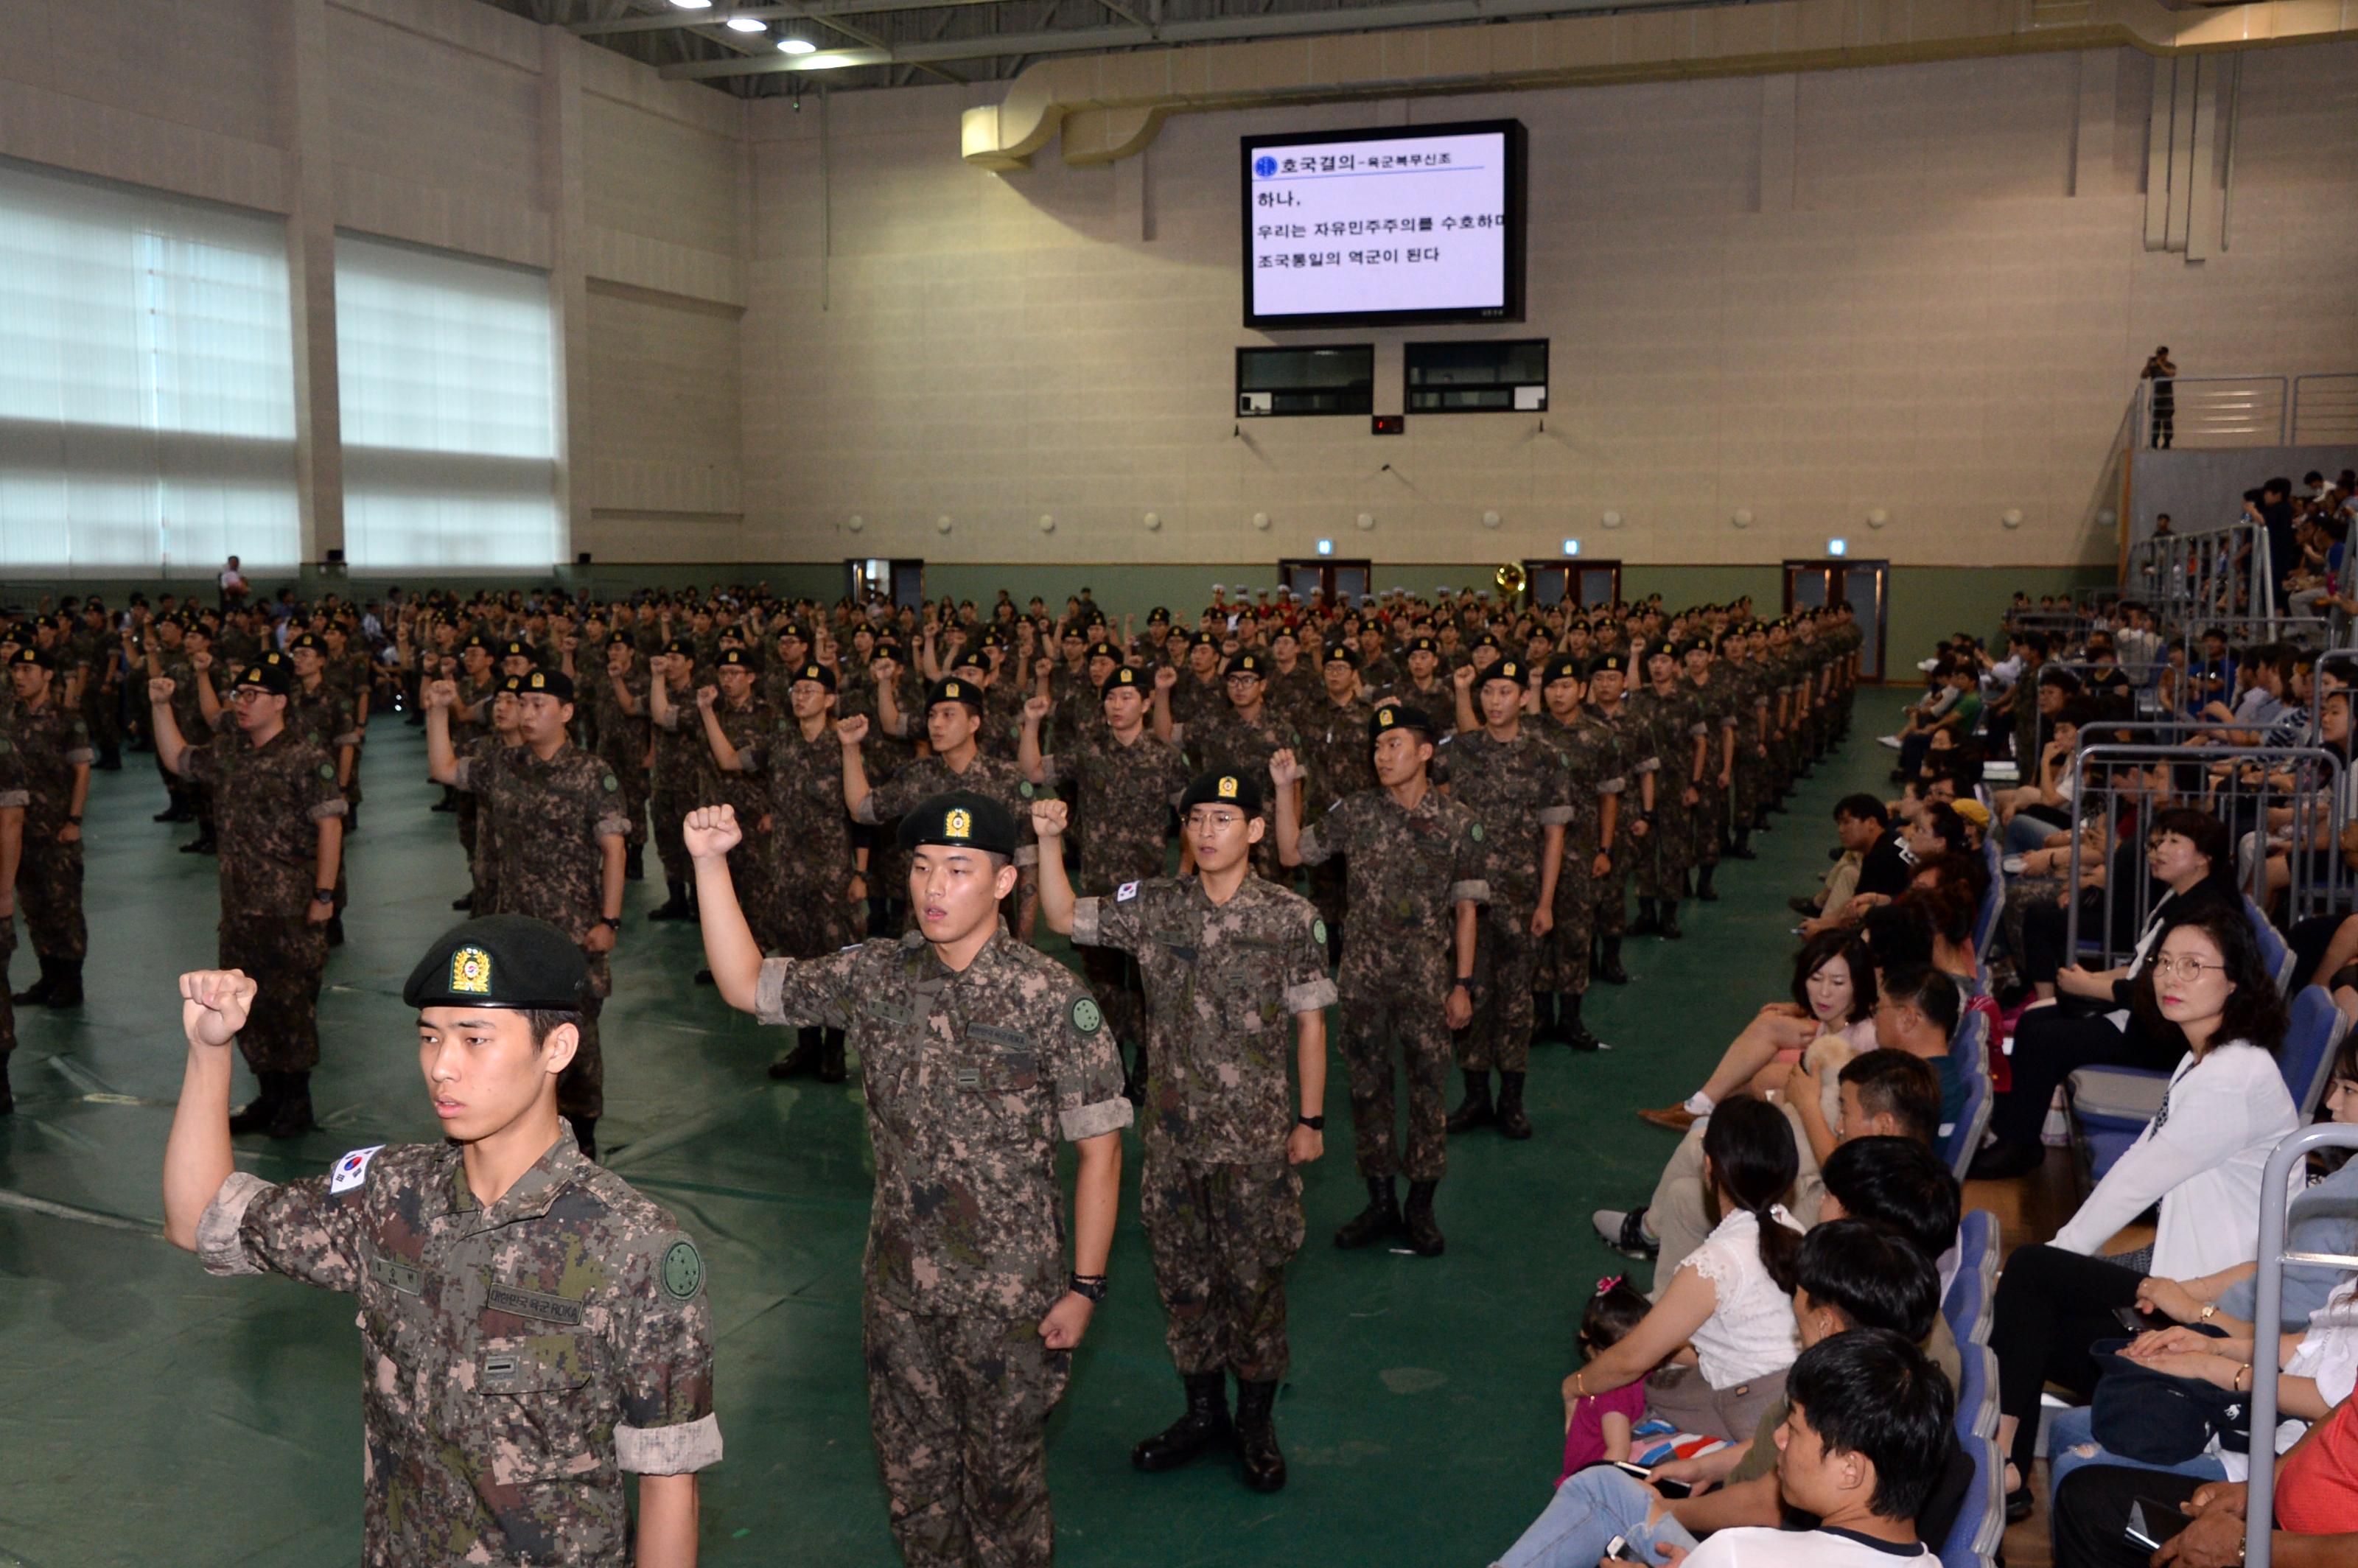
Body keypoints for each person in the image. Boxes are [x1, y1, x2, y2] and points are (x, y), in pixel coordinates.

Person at [162, 918, 721, 1566]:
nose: (442, 1067)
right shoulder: (391, 1196)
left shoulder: (633, 1247)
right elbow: (198, 1217)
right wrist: (209, 1049)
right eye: (430, 1037)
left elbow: (668, 1481)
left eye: (474, 1038)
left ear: (557, 1048)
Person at [690, 791, 1129, 1568]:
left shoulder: (1051, 1000)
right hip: (898, 1292)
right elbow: (746, 983)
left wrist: (1084, 1287)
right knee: (916, 1494)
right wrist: (709, 863)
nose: (933, 887)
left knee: (1004, 1496)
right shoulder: (880, 974)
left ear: (1001, 883)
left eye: (958, 869)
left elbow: (1100, 1151)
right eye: (923, 866)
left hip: (1009, 1302)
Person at [1034, 770, 1333, 1491]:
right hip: (1172, 1140)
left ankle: (1254, 1421)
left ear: (1255, 831)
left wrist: (1310, 1119)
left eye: (1223, 818)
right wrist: (1047, 842)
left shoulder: (1290, 917)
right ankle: (1202, 1414)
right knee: (1184, 1283)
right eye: (1195, 818)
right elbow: (1063, 915)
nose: (1205, 831)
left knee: (1255, 1283)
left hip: (1255, 1141)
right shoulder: (1155, 904)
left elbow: (1311, 1021)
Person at [1990, 906, 2298, 1516]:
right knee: (2029, 1325)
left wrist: (2059, 1254)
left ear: (2235, 980)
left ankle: (2005, 1469)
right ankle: (2007, 1476)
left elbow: (2133, 1183)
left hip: (2217, 1315)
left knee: (2029, 1273)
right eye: (2164, 963)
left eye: (2194, 966)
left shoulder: (2232, 1077)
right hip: (2180, 1284)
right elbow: (2145, 1153)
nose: (2171, 978)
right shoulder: (2206, 1056)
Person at [1272, 703, 1486, 1256]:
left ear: (1425, 751)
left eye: (1394, 744)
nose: (1382, 755)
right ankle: (1381, 1200)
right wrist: (1282, 790)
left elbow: (1466, 909)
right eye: (1376, 746)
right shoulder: (1358, 812)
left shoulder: (1458, 821)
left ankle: (1420, 1206)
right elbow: (1293, 851)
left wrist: (1462, 983)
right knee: (1367, 1091)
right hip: (1364, 979)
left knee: (1426, 1090)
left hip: (1426, 981)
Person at [424, 668, 628, 1159]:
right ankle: (515, 1131)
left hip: (569, 928)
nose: (529, 712)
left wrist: (610, 920)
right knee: (506, 1032)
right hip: (507, 933)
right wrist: (436, 711)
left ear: (566, 712)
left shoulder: (589, 772)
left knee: (575, 1038)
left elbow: (614, 849)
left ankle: (582, 1139)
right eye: (525, 703)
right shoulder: (504, 764)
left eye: (541, 704)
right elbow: (445, 768)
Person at [1973, 808, 2240, 1178]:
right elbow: (2144, 967)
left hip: (2168, 1034)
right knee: (2034, 1022)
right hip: (2145, 1012)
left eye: (2174, 842)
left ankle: (2019, 1146)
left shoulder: (2206, 917)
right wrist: (2094, 980)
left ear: (2204, 858)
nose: (2158, 850)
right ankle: (2011, 1130)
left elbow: (2162, 990)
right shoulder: (2179, 897)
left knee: (2046, 1038)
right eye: (2157, 841)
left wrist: (2091, 986)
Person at [148, 652, 346, 1138]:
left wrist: (324, 894)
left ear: (279, 702)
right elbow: (179, 759)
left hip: (291, 908)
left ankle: (296, 1102)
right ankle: (268, 1097)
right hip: (240, 909)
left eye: (253, 695)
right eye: (239, 693)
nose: (242, 702)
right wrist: (160, 707)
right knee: (247, 1007)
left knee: (292, 1006)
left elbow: (330, 826)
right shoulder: (232, 752)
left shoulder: (305, 754)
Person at [1566, 1097, 1805, 1443]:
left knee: (1622, 1393)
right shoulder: (1794, 1230)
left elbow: (1631, 1360)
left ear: (1709, 1167)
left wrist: (1573, 1385)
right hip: (1796, 1386)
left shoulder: (1713, 1264)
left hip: (1754, 1409)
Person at [1440, 657, 1573, 1139]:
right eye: (1488, 691)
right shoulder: (1463, 749)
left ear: (1523, 698)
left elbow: (1554, 833)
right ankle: (1474, 1097)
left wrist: (1546, 902)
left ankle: (1511, 1101)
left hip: (1519, 899)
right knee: (1467, 990)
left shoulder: (1545, 756)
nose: (1495, 701)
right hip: (1466, 900)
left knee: (1517, 1003)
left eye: (1504, 692)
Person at [1636, 930, 1878, 1133]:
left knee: (1767, 1076)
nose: (1824, 993)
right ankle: (1705, 1106)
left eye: (1838, 983)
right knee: (1767, 1040)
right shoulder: (1832, 1021)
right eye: (1815, 978)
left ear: (1859, 983)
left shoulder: (1865, 1038)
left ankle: (1711, 1111)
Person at [6, 646, 90, 1009]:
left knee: (63, 908)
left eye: (27, 669)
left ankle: (70, 983)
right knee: (34, 909)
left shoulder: (67, 719)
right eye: (15, 670)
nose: (19, 676)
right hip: (19, 833)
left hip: (56, 831)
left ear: (48, 675)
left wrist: (74, 820)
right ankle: (48, 976)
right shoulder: (9, 717)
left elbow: (82, 771)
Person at [1558, 1277, 1654, 1477]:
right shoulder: (1645, 1369)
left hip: (1590, 1475)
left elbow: (1618, 1452)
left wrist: (1594, 1489)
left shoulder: (1611, 1393)